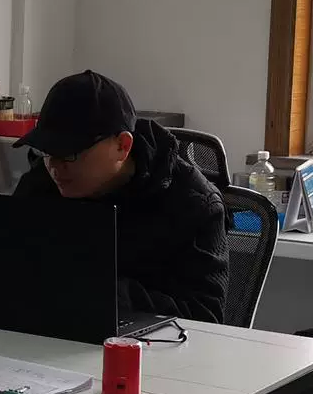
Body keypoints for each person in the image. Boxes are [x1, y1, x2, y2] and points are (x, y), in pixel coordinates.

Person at [12, 69, 228, 324]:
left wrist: (109, 292)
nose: (55, 167)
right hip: (49, 333)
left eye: (69, 153)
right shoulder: (41, 183)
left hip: (150, 344)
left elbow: (206, 316)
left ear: (122, 146)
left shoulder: (193, 203)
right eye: (47, 151)